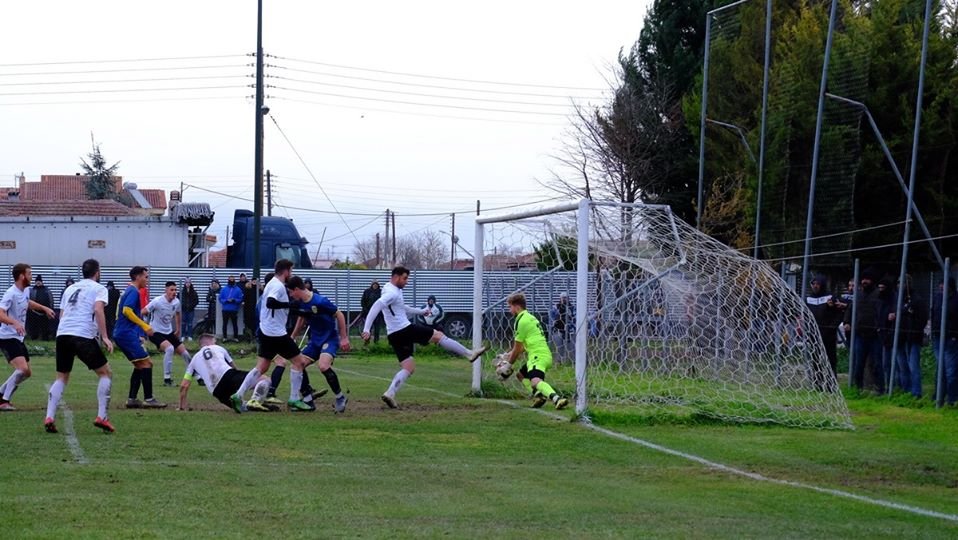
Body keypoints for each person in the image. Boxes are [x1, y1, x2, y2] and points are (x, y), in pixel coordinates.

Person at [361, 266, 488, 409]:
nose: (407, 281)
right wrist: (367, 328)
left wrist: (420, 311)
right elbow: (377, 305)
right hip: (404, 329)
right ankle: (469, 354)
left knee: (408, 367)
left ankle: (390, 393)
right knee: (439, 336)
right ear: (396, 277)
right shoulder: (392, 293)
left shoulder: (388, 289)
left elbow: (402, 307)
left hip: (393, 334)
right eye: (405, 278)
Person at [229, 259, 314, 413]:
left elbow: (277, 309)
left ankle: (238, 394)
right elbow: (270, 303)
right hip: (276, 333)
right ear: (286, 271)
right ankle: (294, 398)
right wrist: (289, 305)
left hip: (266, 331)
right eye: (291, 271)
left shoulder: (271, 284)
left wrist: (299, 311)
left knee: (261, 367)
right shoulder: (277, 286)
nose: (291, 274)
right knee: (299, 362)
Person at [43, 259, 116, 434]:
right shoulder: (99, 288)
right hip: (81, 334)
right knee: (105, 373)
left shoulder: (70, 288)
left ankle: (49, 416)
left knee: (61, 377)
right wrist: (105, 336)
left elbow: (62, 313)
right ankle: (102, 417)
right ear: (97, 272)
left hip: (63, 334)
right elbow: (98, 310)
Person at [288, 276, 350, 413]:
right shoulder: (302, 303)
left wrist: (344, 337)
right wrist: (292, 336)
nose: (291, 295)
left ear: (297, 289)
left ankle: (340, 397)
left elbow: (339, 315)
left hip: (329, 339)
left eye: (291, 292)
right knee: (297, 363)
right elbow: (301, 320)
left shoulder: (320, 301)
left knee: (323, 366)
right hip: (315, 342)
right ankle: (308, 400)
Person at [498, 292, 568, 409]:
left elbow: (517, 348)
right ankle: (538, 396)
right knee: (521, 375)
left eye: (510, 307)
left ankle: (557, 399)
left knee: (535, 380)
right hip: (542, 354)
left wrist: (508, 365)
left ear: (517, 306)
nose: (510, 311)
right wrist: (507, 355)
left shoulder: (521, 321)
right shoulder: (530, 317)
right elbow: (524, 347)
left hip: (537, 357)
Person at [0, 264, 56, 410]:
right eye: (29, 273)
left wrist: (44, 308)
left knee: (27, 373)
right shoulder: (10, 293)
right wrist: (15, 323)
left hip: (18, 338)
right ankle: (3, 401)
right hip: (7, 337)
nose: (32, 276)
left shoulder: (25, 290)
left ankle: (1, 394)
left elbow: (28, 302)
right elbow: (0, 314)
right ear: (21, 276)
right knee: (22, 369)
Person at [114, 266, 166, 409]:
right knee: (147, 364)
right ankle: (149, 400)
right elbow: (127, 311)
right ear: (138, 277)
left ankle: (132, 399)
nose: (147, 280)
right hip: (125, 334)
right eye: (146, 277)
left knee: (140, 364)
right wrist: (144, 326)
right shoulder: (133, 291)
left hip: (124, 333)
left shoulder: (129, 290)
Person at [177, 334, 273, 412]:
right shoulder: (218, 348)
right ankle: (255, 400)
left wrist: (182, 406)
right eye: (214, 341)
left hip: (216, 391)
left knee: (243, 408)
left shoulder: (193, 360)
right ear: (209, 342)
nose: (216, 342)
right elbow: (233, 367)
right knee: (265, 379)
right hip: (228, 376)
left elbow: (184, 385)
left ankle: (248, 405)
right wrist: (245, 384)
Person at [144, 281, 193, 387]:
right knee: (170, 348)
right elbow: (143, 311)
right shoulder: (157, 301)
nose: (174, 292)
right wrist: (144, 327)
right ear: (166, 290)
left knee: (185, 354)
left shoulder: (176, 302)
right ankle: (167, 379)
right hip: (155, 332)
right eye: (172, 290)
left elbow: (178, 314)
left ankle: (198, 377)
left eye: (175, 290)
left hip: (168, 332)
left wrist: (178, 329)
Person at [843, 269, 885, 393]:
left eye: (867, 279)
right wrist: (847, 322)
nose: (864, 281)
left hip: (875, 335)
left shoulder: (878, 295)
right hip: (860, 334)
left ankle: (880, 388)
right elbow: (850, 310)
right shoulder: (859, 295)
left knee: (877, 363)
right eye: (863, 279)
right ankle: (858, 388)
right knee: (858, 363)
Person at [889, 275, 928, 398]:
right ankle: (906, 392)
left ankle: (916, 393)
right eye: (899, 283)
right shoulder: (896, 299)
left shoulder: (917, 300)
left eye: (903, 283)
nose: (900, 285)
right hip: (899, 337)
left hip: (912, 337)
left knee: (913, 367)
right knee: (902, 367)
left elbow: (922, 319)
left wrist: (913, 329)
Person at [804, 274, 846, 384]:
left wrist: (833, 326)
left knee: (830, 359)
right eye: (813, 284)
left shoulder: (830, 297)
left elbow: (840, 312)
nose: (815, 286)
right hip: (814, 334)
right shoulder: (808, 299)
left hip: (828, 335)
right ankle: (818, 383)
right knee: (816, 359)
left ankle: (831, 383)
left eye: (818, 284)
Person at [26, 274, 54, 340]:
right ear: (35, 282)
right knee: (34, 326)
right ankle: (34, 338)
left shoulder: (47, 290)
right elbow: (28, 301)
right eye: (37, 281)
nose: (38, 282)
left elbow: (51, 300)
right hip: (34, 312)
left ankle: (45, 338)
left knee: (45, 327)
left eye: (39, 281)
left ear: (42, 282)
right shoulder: (32, 290)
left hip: (45, 312)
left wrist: (51, 310)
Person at [549, 292, 575, 361]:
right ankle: (559, 361)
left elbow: (574, 318)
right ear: (560, 298)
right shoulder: (555, 307)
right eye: (563, 297)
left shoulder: (572, 308)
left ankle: (572, 361)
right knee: (559, 347)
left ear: (568, 298)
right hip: (558, 330)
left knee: (571, 347)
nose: (564, 299)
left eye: (566, 297)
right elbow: (552, 318)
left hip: (570, 330)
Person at [219, 276, 243, 342]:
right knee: (224, 324)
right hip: (225, 309)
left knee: (235, 324)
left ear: (234, 281)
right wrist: (226, 300)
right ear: (228, 280)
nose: (231, 281)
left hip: (234, 309)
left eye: (232, 279)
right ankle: (224, 337)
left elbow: (240, 299)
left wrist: (234, 300)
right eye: (230, 279)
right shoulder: (224, 289)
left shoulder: (238, 289)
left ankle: (236, 337)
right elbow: (220, 298)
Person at [242, 277, 258, 341]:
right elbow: (245, 298)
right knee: (249, 323)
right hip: (249, 309)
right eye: (253, 281)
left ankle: (254, 335)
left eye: (255, 281)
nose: (254, 282)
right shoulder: (248, 289)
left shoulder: (259, 289)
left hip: (256, 309)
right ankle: (250, 336)